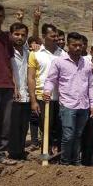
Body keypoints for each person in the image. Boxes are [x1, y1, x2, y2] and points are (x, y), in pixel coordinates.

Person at [43, 32, 93, 165]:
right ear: (68, 45)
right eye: (74, 45)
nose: (78, 48)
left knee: (78, 135)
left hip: (83, 106)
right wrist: (47, 90)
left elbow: (90, 85)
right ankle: (65, 162)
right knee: (68, 135)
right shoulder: (59, 62)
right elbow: (50, 80)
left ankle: (76, 161)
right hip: (67, 105)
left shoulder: (87, 63)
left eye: (80, 45)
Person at [28, 23, 66, 155]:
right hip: (42, 97)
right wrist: (33, 101)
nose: (56, 38)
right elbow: (31, 78)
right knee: (45, 128)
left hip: (61, 98)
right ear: (44, 36)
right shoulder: (35, 53)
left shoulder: (63, 54)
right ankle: (46, 154)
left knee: (59, 128)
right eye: (52, 36)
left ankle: (59, 156)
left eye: (57, 36)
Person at [0, 2, 17, 167]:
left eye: (0, 16)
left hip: (7, 85)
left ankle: (0, 155)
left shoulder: (7, 38)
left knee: (5, 124)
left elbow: (10, 62)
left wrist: (14, 85)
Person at [8, 22, 31, 160]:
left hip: (26, 94)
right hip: (12, 93)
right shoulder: (8, 52)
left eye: (23, 35)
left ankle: (20, 151)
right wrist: (14, 86)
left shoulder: (28, 53)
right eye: (16, 34)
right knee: (13, 125)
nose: (20, 37)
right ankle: (13, 153)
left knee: (23, 125)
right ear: (11, 35)